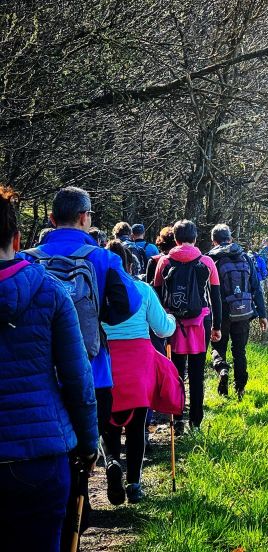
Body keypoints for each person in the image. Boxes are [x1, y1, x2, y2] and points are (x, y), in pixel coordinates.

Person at [20, 186, 142, 545]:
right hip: (94, 371)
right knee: (84, 451)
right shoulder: (103, 259)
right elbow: (129, 306)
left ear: (51, 218)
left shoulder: (27, 260)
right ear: (86, 218)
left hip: (40, 373)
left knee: (46, 449)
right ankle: (79, 509)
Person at [0, 186, 98, 552]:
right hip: (40, 458)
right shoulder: (49, 291)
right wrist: (88, 447)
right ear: (17, 237)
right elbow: (77, 381)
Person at [102, 240, 176, 504]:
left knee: (107, 422)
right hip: (139, 363)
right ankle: (133, 484)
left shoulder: (98, 292)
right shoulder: (142, 290)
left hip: (107, 360)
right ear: (130, 264)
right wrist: (172, 320)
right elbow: (163, 330)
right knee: (136, 426)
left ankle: (111, 461)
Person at [152, 219, 222, 432]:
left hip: (174, 325)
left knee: (176, 373)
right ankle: (196, 422)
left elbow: (156, 293)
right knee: (197, 373)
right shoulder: (207, 262)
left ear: (175, 238)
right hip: (200, 324)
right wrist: (217, 327)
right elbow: (216, 297)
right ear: (195, 238)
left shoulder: (164, 261)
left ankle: (177, 420)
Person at [208, 225, 268, 400]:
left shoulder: (211, 259)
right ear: (230, 239)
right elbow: (256, 288)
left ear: (214, 241)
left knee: (218, 347)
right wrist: (262, 314)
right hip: (244, 312)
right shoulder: (246, 258)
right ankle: (240, 389)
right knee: (239, 350)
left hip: (221, 312)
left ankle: (222, 369)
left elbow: (208, 291)